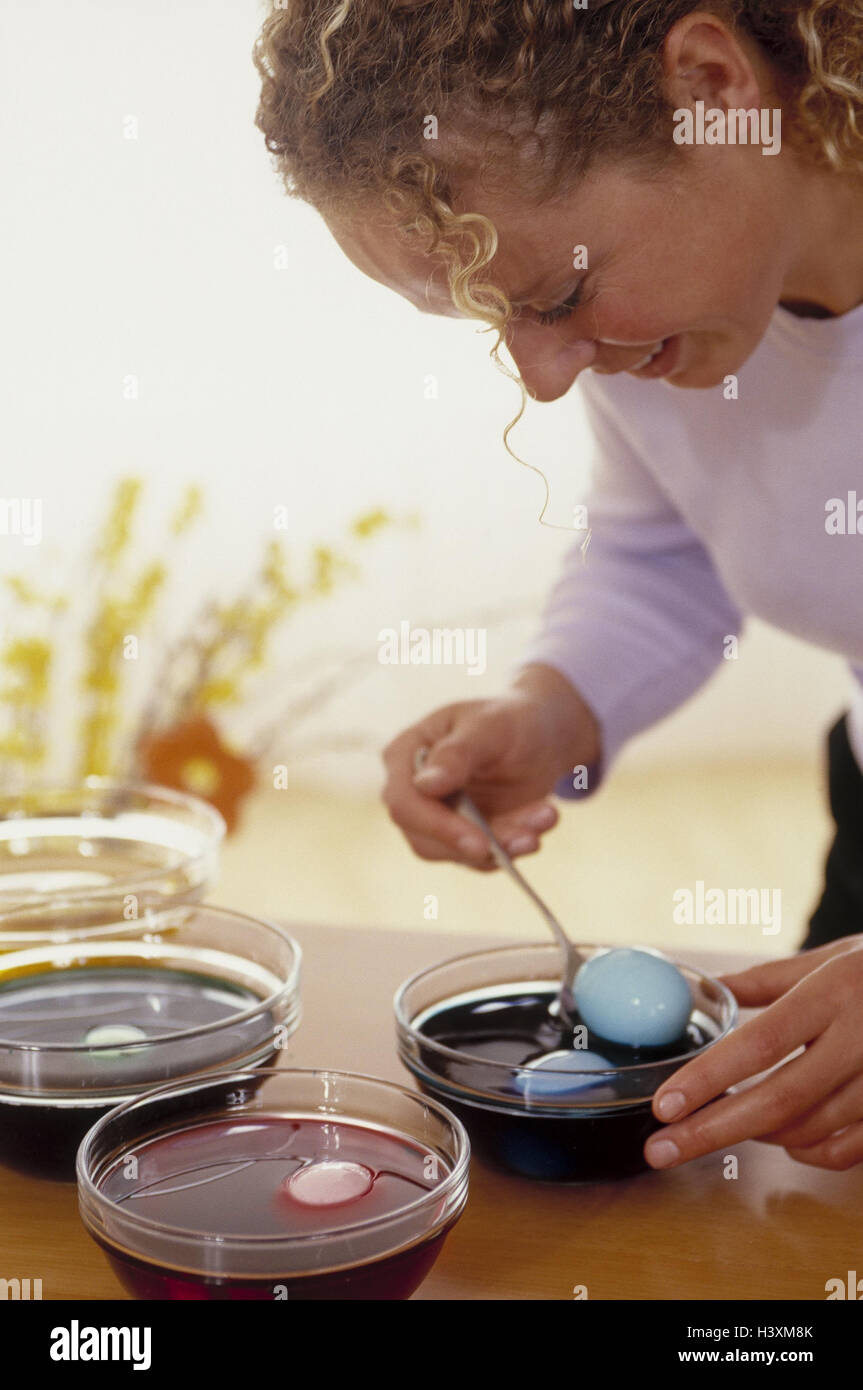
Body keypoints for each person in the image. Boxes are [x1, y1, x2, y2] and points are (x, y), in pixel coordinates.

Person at [254, 2, 863, 1171]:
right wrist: (555, 711)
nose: (539, 376)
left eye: (553, 299)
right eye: (492, 318)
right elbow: (664, 555)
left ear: (711, 89)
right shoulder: (668, 330)